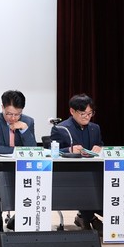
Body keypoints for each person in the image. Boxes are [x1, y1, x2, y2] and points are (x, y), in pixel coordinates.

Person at [0, 89, 36, 230]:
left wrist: (24, 130)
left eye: (17, 114)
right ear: (2, 108)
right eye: (9, 114)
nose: (13, 118)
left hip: (20, 170)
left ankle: (22, 219)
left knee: (35, 179)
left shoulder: (28, 122)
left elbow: (33, 150)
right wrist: (19, 151)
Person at [50, 93, 104, 232]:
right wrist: (69, 150)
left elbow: (100, 144)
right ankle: (87, 217)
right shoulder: (61, 128)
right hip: (69, 173)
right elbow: (51, 151)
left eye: (90, 113)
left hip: (93, 171)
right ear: (72, 111)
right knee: (86, 183)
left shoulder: (95, 128)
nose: (87, 117)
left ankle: (86, 216)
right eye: (83, 113)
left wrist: (99, 148)